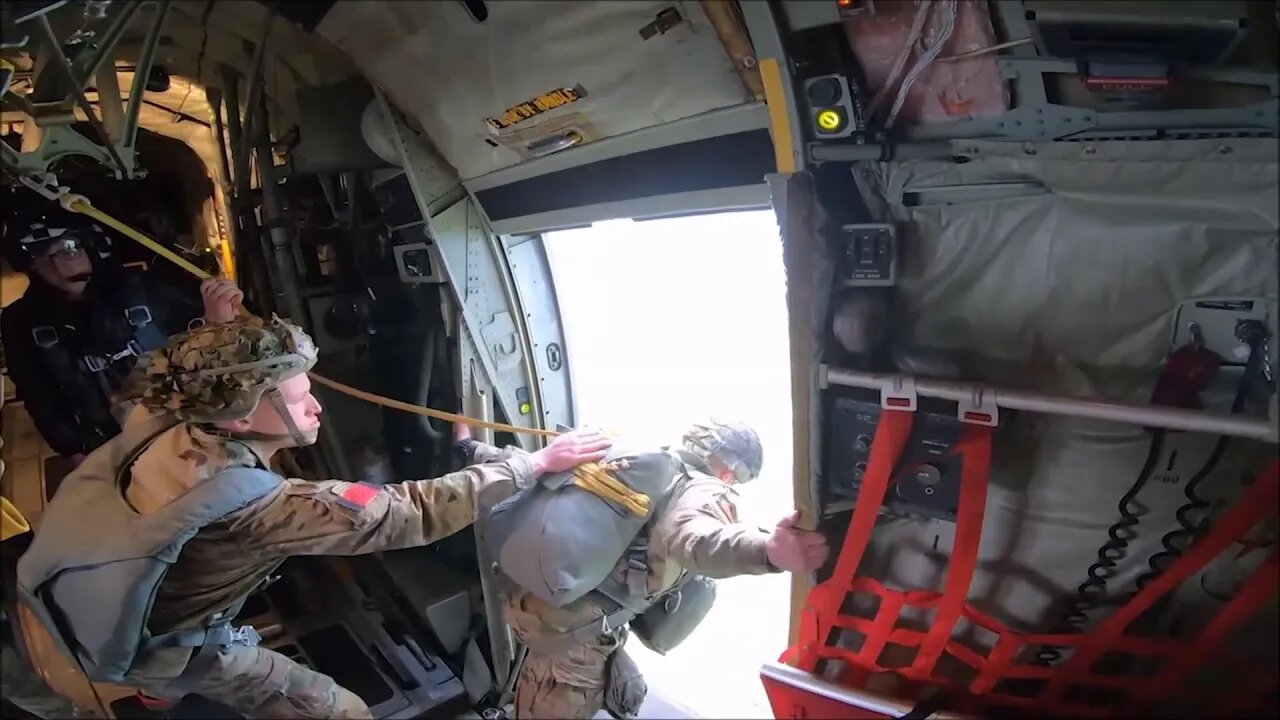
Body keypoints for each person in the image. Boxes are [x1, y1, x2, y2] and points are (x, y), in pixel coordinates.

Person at [14, 286, 613, 719]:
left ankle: (153, 695)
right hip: (166, 643)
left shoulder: (162, 418)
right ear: (246, 416)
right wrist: (532, 464)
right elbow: (405, 513)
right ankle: (157, 682)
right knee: (338, 712)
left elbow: (193, 374)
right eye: (300, 400)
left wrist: (217, 324)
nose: (316, 409)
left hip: (90, 595)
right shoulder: (256, 504)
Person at [461, 419, 831, 719]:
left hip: (528, 604)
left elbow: (534, 470)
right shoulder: (704, 489)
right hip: (572, 640)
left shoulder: (629, 454)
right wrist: (766, 550)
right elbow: (695, 541)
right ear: (731, 471)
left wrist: (470, 448)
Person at [0, 201, 236, 468]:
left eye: (69, 248)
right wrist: (76, 453)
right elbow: (39, 396)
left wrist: (219, 321)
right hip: (113, 450)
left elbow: (210, 351)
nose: (58, 265)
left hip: (189, 432)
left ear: (92, 246)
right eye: (41, 255)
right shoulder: (21, 323)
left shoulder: (149, 291)